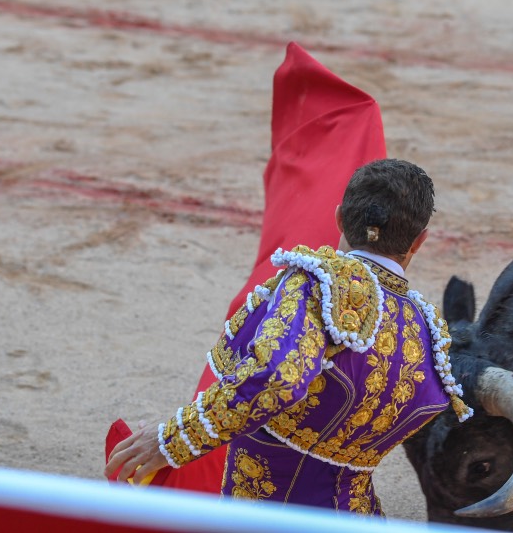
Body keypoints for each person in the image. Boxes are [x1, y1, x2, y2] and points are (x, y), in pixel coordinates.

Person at [105, 158, 471, 515]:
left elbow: (278, 378)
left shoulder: (319, 282)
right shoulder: (427, 330)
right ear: (419, 240)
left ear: (339, 218)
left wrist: (173, 438)